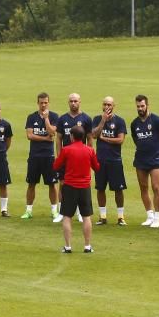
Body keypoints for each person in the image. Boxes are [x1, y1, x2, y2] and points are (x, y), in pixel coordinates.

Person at [53, 126, 100, 253]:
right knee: (86, 217)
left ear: (72, 136)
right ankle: (87, 246)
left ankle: (68, 246)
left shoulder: (66, 150)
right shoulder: (89, 150)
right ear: (84, 137)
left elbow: (56, 165)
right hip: (85, 187)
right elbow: (96, 167)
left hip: (69, 187)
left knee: (67, 216)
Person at [130, 94, 159, 228]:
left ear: (147, 105)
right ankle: (150, 216)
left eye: (142, 106)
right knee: (143, 187)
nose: (140, 108)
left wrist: (155, 149)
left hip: (155, 159)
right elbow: (136, 140)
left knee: (156, 188)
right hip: (140, 159)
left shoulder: (157, 121)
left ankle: (157, 218)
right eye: (138, 106)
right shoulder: (134, 123)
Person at [22, 92, 60, 221]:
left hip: (48, 156)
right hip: (34, 156)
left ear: (48, 103)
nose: (43, 105)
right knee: (31, 183)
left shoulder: (54, 116)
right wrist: (45, 138)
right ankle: (28, 210)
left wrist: (46, 119)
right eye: (41, 103)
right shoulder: (31, 117)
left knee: (52, 184)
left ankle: (54, 211)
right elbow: (30, 135)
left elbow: (52, 132)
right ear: (37, 103)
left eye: (45, 103)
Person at [55, 93, 92, 223]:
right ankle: (61, 211)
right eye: (71, 101)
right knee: (63, 184)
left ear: (80, 102)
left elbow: (90, 139)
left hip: (81, 158)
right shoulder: (62, 119)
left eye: (75, 101)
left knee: (81, 186)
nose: (73, 103)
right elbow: (58, 139)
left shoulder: (86, 119)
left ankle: (81, 213)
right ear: (68, 102)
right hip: (66, 158)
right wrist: (60, 156)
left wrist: (89, 155)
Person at [92, 96, 128, 226]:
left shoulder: (119, 121)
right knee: (100, 188)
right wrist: (102, 121)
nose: (107, 107)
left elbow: (120, 140)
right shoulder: (97, 119)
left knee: (118, 189)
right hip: (100, 160)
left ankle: (120, 217)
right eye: (105, 104)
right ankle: (102, 217)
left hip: (115, 160)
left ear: (114, 106)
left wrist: (105, 138)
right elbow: (94, 135)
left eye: (109, 105)